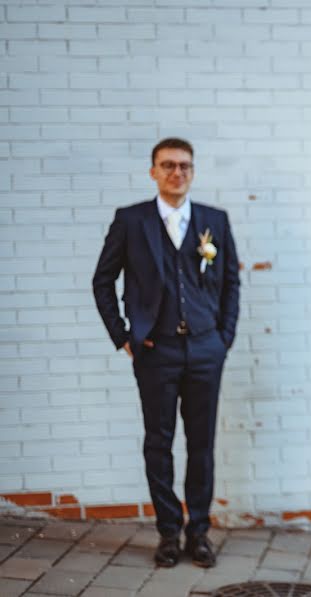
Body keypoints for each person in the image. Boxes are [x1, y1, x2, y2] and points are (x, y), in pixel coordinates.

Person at [92, 138, 240, 568]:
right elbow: (103, 281)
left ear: (193, 172)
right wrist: (123, 336)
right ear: (153, 171)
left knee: (202, 444)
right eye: (168, 165)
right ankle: (168, 532)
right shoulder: (131, 220)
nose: (177, 173)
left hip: (205, 349)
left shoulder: (215, 220)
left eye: (185, 166)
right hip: (155, 351)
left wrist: (222, 337)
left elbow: (231, 282)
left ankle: (199, 534)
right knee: (158, 443)